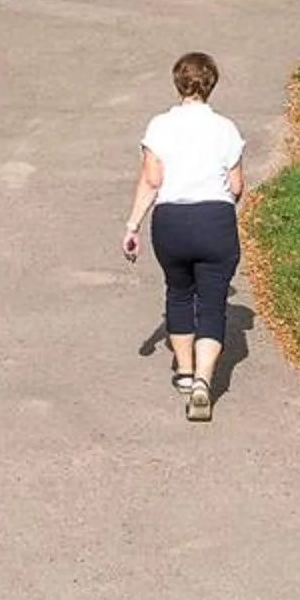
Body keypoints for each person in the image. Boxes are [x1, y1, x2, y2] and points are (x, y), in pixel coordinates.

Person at [120, 51, 246, 420]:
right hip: (215, 219)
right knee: (212, 303)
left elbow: (152, 180)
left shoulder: (160, 126)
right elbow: (236, 186)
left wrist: (132, 226)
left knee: (178, 293)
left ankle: (186, 373)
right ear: (211, 85)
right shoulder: (226, 128)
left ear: (178, 83)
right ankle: (206, 382)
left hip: (172, 220)